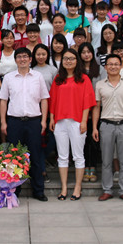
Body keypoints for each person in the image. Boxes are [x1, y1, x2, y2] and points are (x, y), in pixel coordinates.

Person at [0, 47, 50, 201]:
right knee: (14, 157)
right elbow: (3, 100)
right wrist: (3, 122)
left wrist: (43, 120)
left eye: (25, 56)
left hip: (34, 121)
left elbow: (44, 99)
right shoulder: (8, 77)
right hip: (14, 121)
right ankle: (14, 190)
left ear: (30, 59)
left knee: (35, 156)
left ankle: (38, 190)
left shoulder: (38, 76)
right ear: (15, 60)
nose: (22, 59)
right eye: (19, 57)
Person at [49, 49, 96, 201]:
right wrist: (51, 118)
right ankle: (63, 187)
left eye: (71, 58)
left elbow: (88, 101)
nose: (68, 61)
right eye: (65, 59)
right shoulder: (58, 79)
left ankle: (77, 187)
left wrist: (84, 121)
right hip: (60, 121)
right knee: (62, 156)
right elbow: (53, 100)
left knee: (78, 156)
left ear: (77, 61)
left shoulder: (83, 79)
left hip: (77, 121)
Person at [92, 54, 123, 202]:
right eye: (110, 64)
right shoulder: (100, 85)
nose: (113, 67)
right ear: (105, 67)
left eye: (116, 64)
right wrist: (94, 127)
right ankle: (107, 190)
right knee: (106, 160)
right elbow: (96, 107)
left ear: (120, 66)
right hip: (106, 125)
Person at [79, 42, 105, 184]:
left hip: (96, 110)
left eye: (89, 52)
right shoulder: (77, 70)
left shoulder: (100, 69)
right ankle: (84, 168)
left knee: (94, 140)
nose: (86, 55)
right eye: (83, 52)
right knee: (82, 141)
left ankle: (93, 167)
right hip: (80, 112)